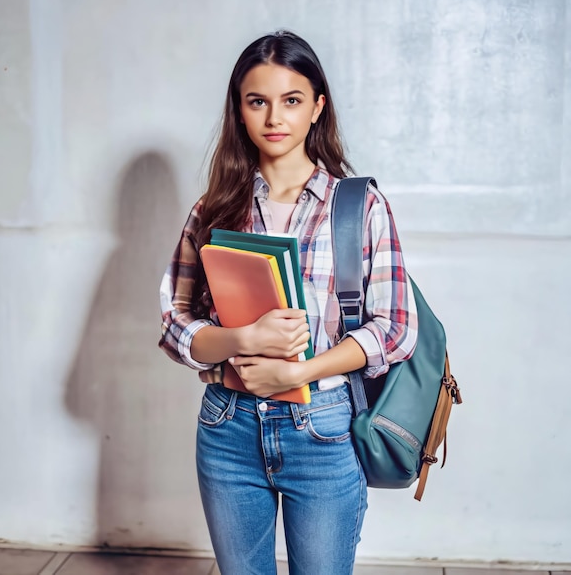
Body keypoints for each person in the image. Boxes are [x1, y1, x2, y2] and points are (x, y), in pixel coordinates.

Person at [159, 30, 418, 575]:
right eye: (258, 101)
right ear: (240, 110)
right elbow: (175, 324)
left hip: (321, 428)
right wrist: (242, 341)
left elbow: (394, 328)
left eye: (292, 100)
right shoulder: (214, 208)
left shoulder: (358, 205)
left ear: (317, 107)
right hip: (227, 426)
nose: (275, 117)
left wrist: (300, 371)